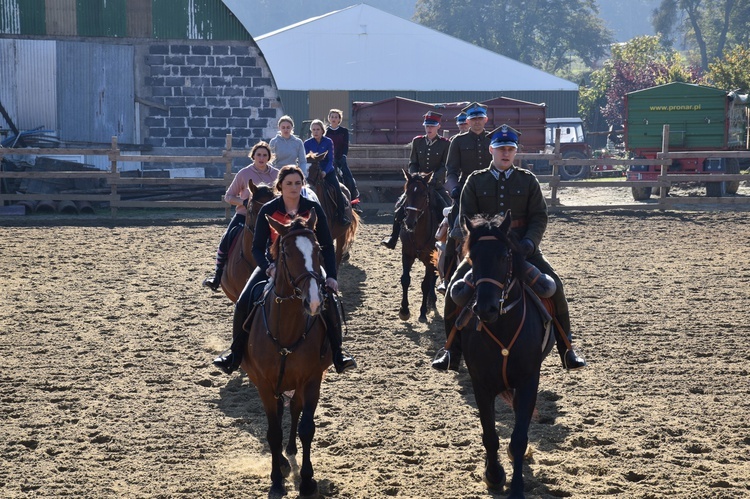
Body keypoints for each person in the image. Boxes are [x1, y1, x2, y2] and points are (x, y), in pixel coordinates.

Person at [432, 125, 587, 372]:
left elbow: (539, 217)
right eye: (501, 149)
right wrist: (478, 245)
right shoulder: (475, 180)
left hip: (523, 249)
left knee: (554, 286)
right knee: (454, 288)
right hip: (484, 252)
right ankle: (451, 351)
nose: (506, 153)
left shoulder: (528, 180)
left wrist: (529, 242)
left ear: (516, 152)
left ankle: (566, 349)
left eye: (510, 149)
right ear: (491, 149)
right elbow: (466, 217)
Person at [213, 165, 357, 375]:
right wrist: (267, 267)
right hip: (275, 264)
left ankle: (338, 354)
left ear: (303, 185)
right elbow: (256, 247)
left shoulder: (313, 208)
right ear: (280, 186)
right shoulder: (268, 209)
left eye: (298, 183)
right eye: (289, 183)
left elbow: (326, 244)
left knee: (332, 301)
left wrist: (332, 276)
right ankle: (234, 354)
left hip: (307, 266)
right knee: (244, 300)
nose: (294, 187)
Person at [203, 141, 279, 291]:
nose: (262, 158)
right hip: (245, 215)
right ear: (253, 156)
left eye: (265, 155)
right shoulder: (244, 173)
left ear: (269, 157)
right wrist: (244, 202)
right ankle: (217, 275)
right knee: (226, 238)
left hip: (271, 218)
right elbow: (228, 196)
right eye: (259, 155)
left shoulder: (276, 174)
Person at [440, 102, 493, 289]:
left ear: (486, 119)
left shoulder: (493, 140)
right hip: (465, 194)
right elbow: (451, 170)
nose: (477, 122)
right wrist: (454, 188)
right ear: (468, 121)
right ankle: (446, 277)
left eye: (480, 118)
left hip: (492, 193)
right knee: (454, 233)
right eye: (473, 119)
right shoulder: (458, 141)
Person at [381, 111, 451, 249]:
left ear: (438, 127)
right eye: (427, 126)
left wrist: (433, 179)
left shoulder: (445, 144)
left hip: (435, 185)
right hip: (417, 185)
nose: (429, 129)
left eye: (432, 126)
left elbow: (445, 166)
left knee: (447, 209)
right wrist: (414, 177)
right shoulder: (417, 141)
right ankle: (393, 238)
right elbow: (413, 162)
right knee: (399, 210)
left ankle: (448, 242)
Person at [304, 119, 351, 226]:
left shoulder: (328, 141)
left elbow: (331, 159)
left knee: (338, 189)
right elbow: (305, 159)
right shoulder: (307, 143)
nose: (315, 131)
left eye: (318, 129)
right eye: (313, 130)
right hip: (311, 173)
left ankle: (342, 216)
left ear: (322, 130)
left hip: (328, 171)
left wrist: (325, 172)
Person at [325, 109, 361, 210]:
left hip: (340, 159)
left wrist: (343, 157)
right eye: (332, 117)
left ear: (339, 119)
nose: (333, 119)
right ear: (329, 118)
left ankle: (354, 202)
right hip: (329, 160)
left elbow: (345, 145)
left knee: (349, 179)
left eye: (336, 117)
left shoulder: (344, 131)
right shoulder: (326, 131)